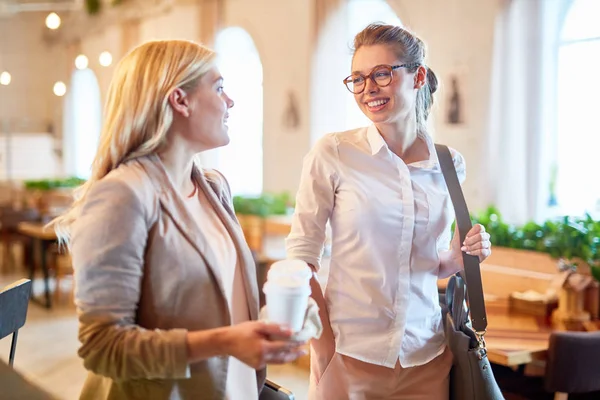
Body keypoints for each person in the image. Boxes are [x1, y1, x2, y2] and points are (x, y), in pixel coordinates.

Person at [53, 39, 306, 400]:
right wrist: (225, 341)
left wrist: (279, 317)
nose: (230, 101)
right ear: (180, 100)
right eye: (219, 88)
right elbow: (102, 346)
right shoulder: (123, 194)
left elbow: (219, 302)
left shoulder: (213, 187)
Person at [286, 23, 492, 399]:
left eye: (382, 74)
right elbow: (300, 260)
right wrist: (323, 349)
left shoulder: (448, 164)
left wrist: (462, 256)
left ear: (417, 77)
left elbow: (430, 264)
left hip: (427, 359)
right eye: (358, 79)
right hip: (349, 357)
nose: (368, 89)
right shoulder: (333, 153)